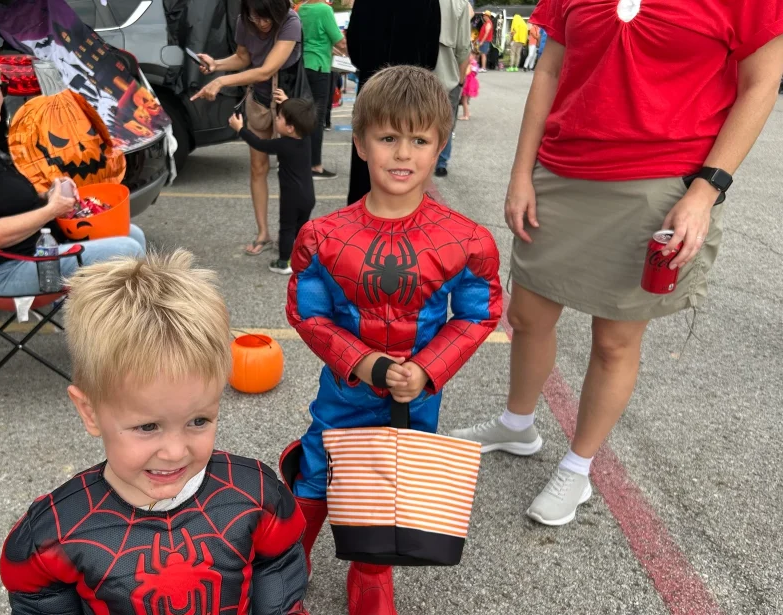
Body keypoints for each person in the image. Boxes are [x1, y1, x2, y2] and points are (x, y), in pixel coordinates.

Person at [450, 0, 783, 527]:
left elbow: (761, 83)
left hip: (659, 185)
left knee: (615, 341)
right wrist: (521, 173)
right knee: (528, 316)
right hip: (561, 173)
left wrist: (707, 187)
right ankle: (517, 424)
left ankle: (578, 466)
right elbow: (551, 71)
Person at [281, 65, 503, 615]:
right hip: (345, 394)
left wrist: (427, 369)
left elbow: (478, 315)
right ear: (359, 144)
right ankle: (286, 572)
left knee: (389, 489)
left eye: (420, 140)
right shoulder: (323, 237)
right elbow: (308, 315)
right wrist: (366, 364)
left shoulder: (468, 241)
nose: (402, 154)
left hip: (414, 402)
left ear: (440, 146)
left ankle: (372, 576)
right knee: (317, 471)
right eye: (387, 138)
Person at [0, 250, 310, 614]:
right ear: (90, 412)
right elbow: (36, 594)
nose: (176, 452)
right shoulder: (52, 533)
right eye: (148, 426)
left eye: (198, 421)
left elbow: (279, 563)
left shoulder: (257, 495)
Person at [0, 45, 145, 296]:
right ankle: (119, 331)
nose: (3, 97)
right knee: (128, 250)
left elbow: (0, 200)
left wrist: (49, 196)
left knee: (131, 234)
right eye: (2, 89)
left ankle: (118, 329)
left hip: (34, 253)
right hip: (0, 272)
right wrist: (52, 210)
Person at [191, 0, 303, 256]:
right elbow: (244, 57)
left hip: (287, 103)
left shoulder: (290, 21)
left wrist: (221, 81)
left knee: (292, 171)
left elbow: (266, 70)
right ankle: (263, 232)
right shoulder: (246, 19)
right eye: (255, 17)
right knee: (257, 167)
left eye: (267, 18)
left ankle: (294, 234)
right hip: (260, 101)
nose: (261, 23)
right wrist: (216, 64)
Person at [344, 0, 442, 204]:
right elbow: (431, 53)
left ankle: (360, 216)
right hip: (412, 90)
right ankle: (406, 215)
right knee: (411, 150)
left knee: (370, 146)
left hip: (372, 84)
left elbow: (353, 44)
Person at [230, 92, 317, 275]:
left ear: (291, 128)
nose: (276, 120)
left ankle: (284, 262)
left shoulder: (283, 144)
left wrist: (240, 129)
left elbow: (259, 144)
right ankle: (302, 258)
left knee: (286, 228)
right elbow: (299, 117)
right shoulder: (306, 138)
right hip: (308, 196)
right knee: (301, 228)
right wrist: (286, 103)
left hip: (291, 198)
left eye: (279, 118)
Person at [296, 0, 345, 179]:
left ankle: (298, 162)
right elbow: (340, 41)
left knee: (302, 114)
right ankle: (315, 165)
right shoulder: (324, 9)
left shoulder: (301, 8)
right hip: (319, 66)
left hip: (303, 65)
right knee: (317, 118)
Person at [432, 0, 472, 178]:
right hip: (447, 77)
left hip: (414, 77)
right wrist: (460, 81)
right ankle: (441, 162)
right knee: (446, 123)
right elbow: (464, 48)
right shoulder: (459, 4)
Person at [458, 55, 480, 120]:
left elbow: (466, 73)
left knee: (464, 100)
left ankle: (466, 115)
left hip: (467, 83)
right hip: (472, 82)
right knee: (466, 100)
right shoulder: (475, 63)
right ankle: (467, 112)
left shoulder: (469, 63)